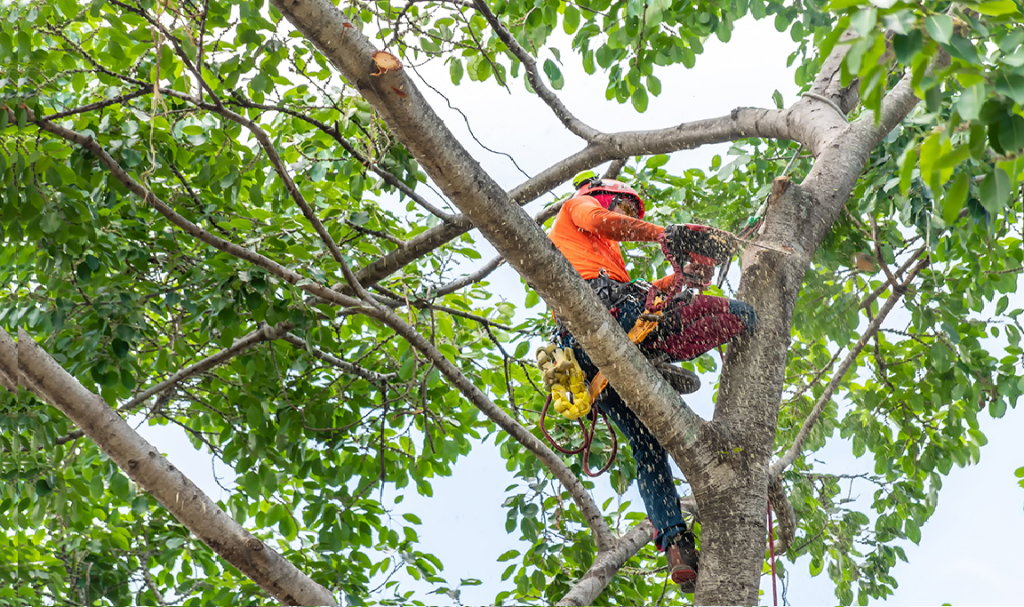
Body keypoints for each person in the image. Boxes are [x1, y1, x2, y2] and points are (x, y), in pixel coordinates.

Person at [547, 174, 757, 592]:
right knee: (737, 311)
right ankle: (654, 358)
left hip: (605, 361)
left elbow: (645, 294)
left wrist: (683, 277)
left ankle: (676, 545)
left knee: (649, 450)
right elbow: (605, 222)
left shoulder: (606, 257)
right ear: (603, 195)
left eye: (627, 213)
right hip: (605, 322)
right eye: (623, 207)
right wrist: (667, 235)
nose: (624, 218)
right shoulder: (577, 210)